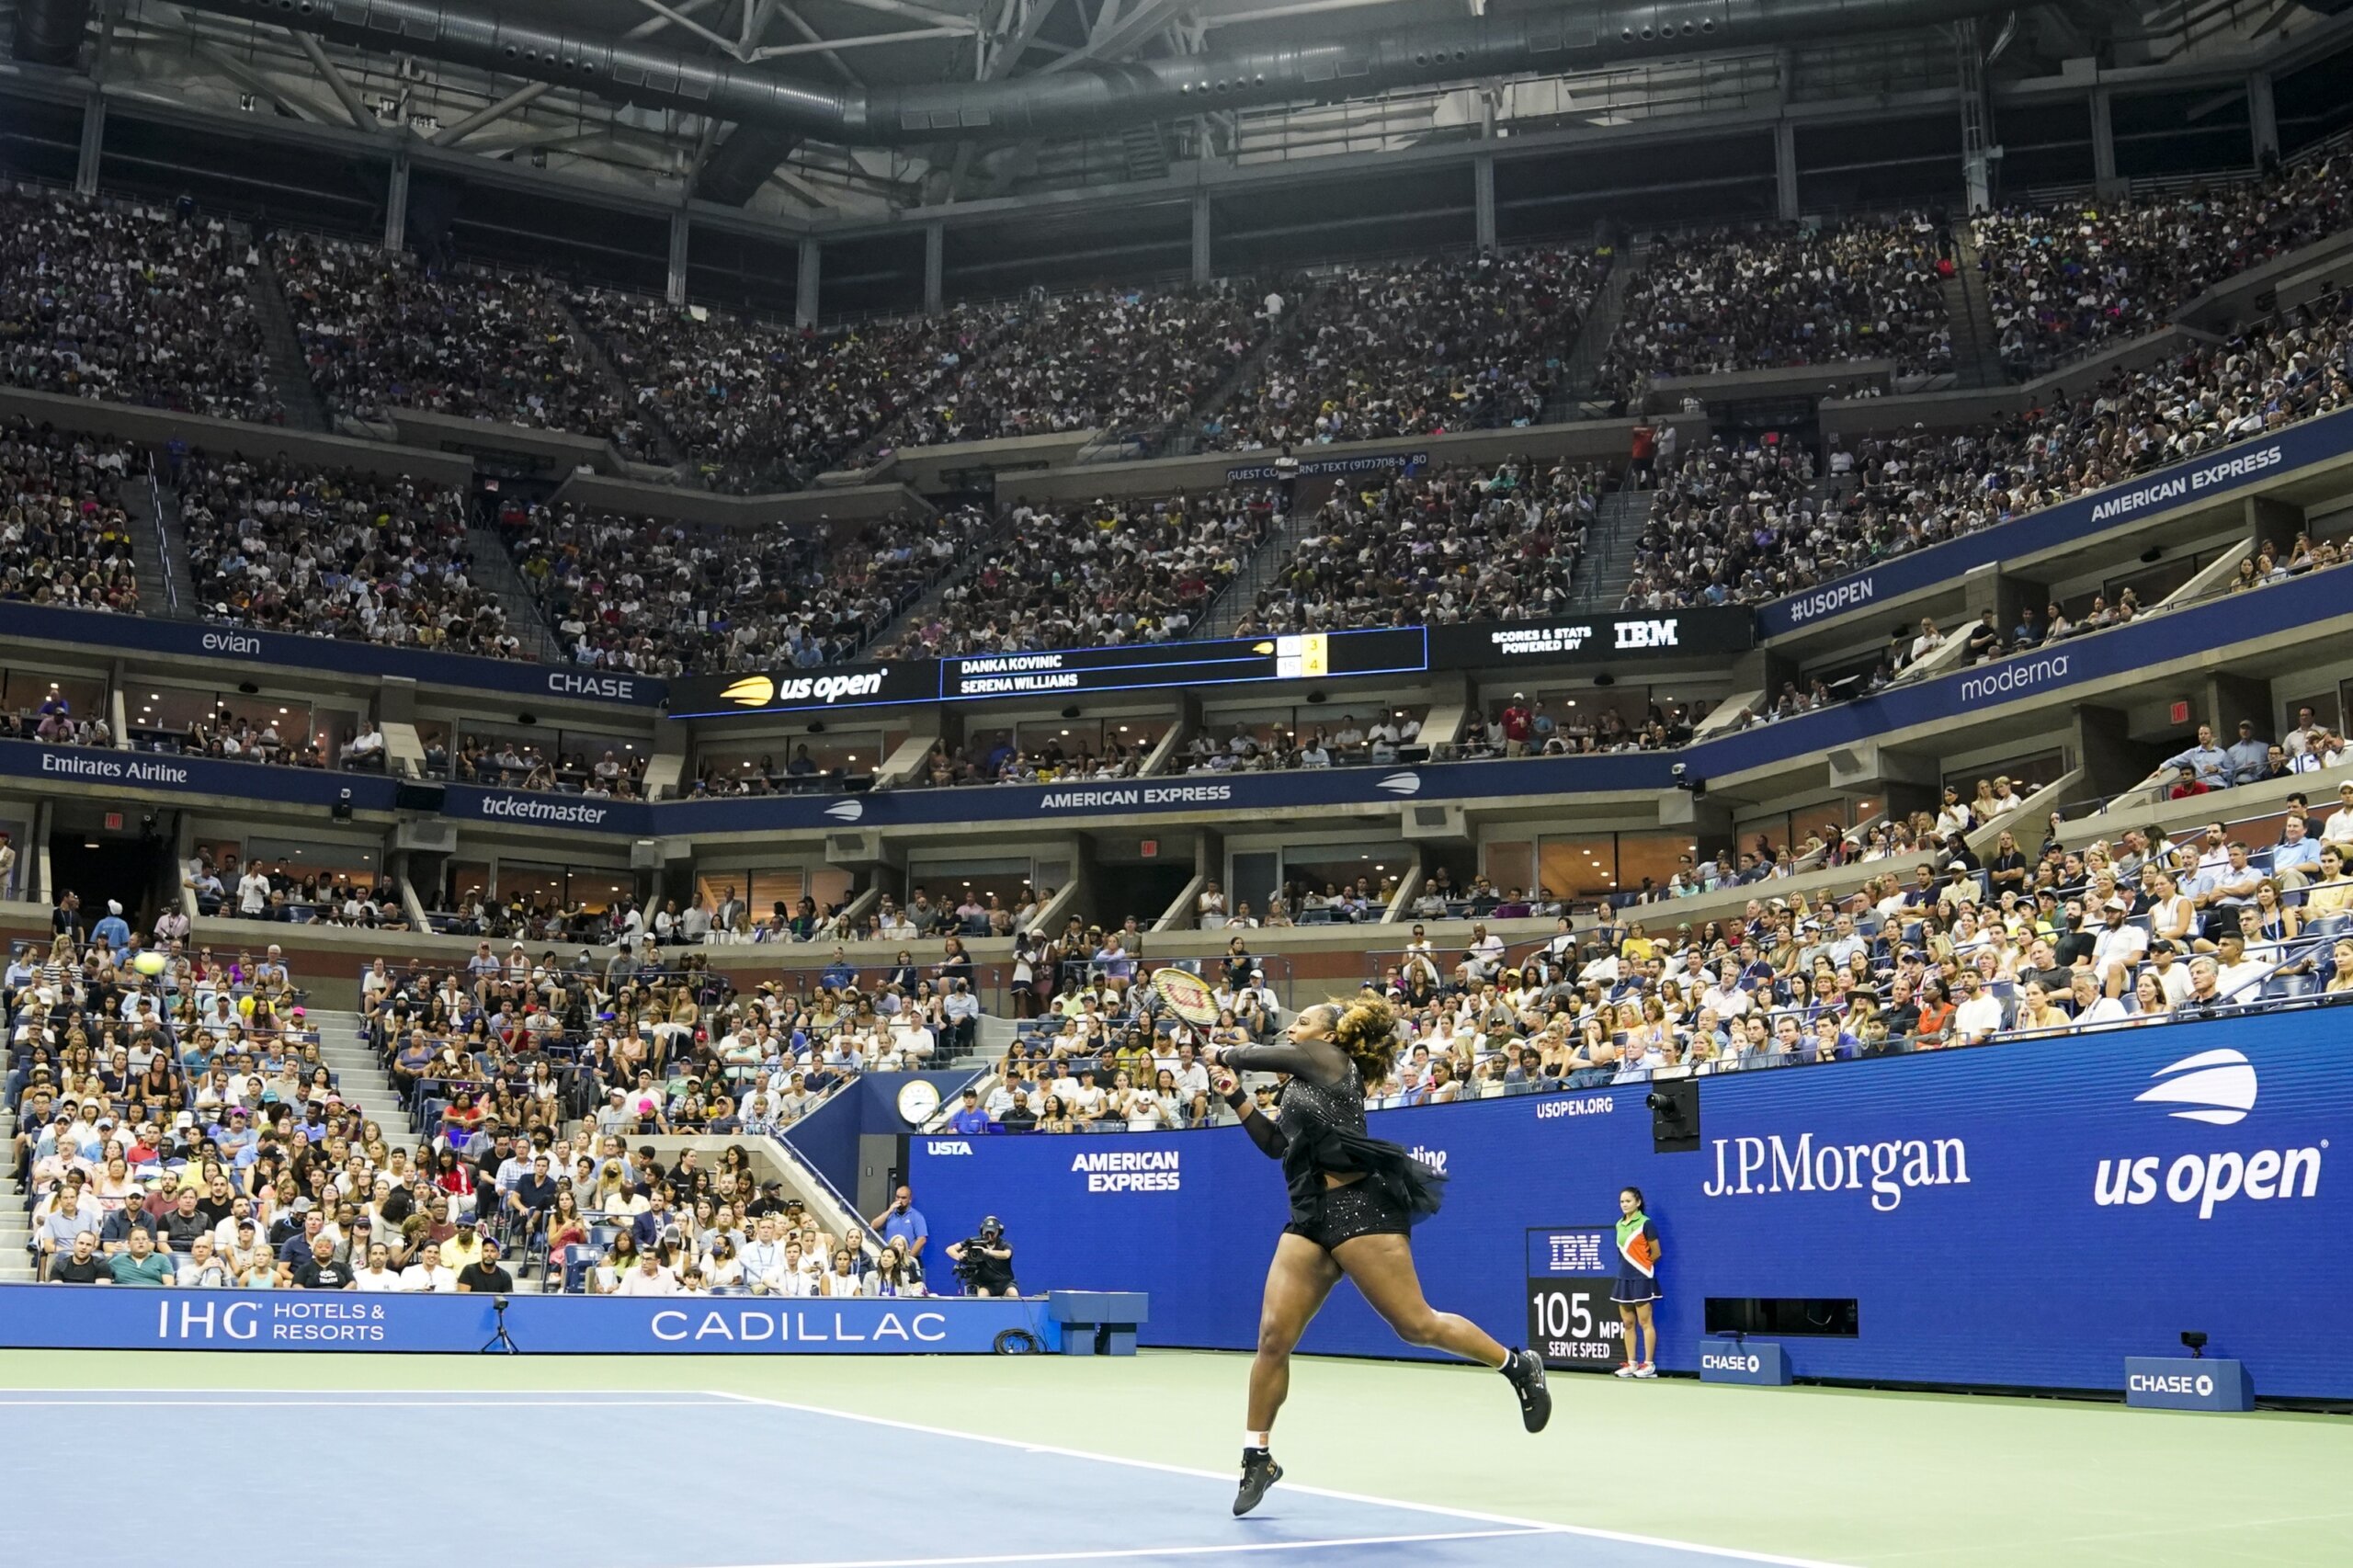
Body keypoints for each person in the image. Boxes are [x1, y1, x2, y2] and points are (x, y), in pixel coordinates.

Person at [1202, 997, 1548, 1516]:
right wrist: (1237, 1101)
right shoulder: (1299, 1084)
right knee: (1273, 1339)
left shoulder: (1330, 1062)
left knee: (1416, 1325)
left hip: (1361, 1210)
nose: (1293, 1028)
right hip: (1311, 1217)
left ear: (1331, 1036)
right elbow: (1278, 1144)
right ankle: (1258, 1456)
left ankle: (1517, 1365)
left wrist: (1228, 1053)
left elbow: (1257, 1053)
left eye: (1303, 1022)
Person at [1610, 1187, 1664, 1379]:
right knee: (1628, 1322)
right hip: (1623, 1278)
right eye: (1622, 1202)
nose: (1624, 1205)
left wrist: (1642, 1268)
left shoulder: (1646, 1224)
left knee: (1645, 1321)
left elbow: (1656, 1252)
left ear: (1638, 1202)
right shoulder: (1618, 1225)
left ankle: (1648, 1365)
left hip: (1641, 1278)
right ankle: (1632, 1363)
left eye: (1628, 1201)